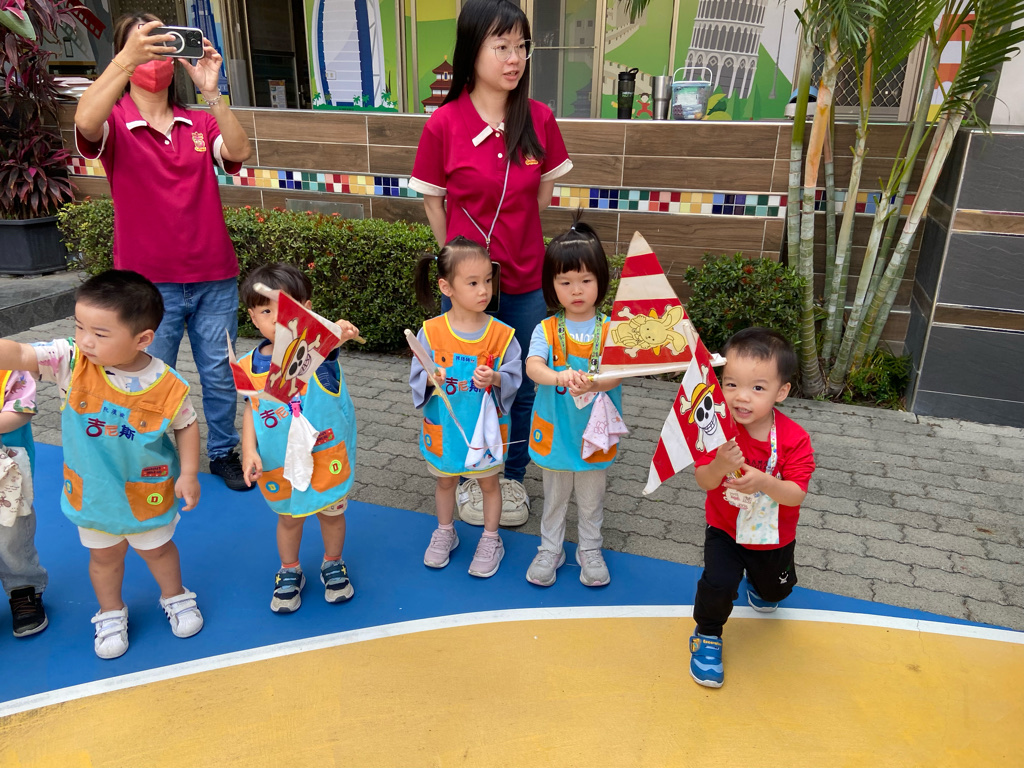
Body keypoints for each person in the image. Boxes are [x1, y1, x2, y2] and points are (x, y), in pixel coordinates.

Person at [74, 14, 254, 492]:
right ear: (124, 52)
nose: (154, 56)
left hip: (213, 274)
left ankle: (222, 452)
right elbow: (85, 121)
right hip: (146, 287)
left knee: (219, 374)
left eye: (163, 44)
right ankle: (148, 452)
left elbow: (239, 153)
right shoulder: (114, 121)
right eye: (143, 44)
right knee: (147, 375)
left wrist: (212, 91)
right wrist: (123, 62)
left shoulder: (199, 121)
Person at [409, 0, 573, 526]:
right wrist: (459, 268)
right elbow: (434, 203)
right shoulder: (444, 124)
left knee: (518, 384)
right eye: (501, 46)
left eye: (521, 46)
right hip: (466, 285)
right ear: (471, 50)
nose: (514, 58)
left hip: (525, 280)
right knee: (459, 382)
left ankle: (511, 477)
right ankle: (465, 475)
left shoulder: (539, 119)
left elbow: (540, 197)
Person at [0, 271, 204, 660]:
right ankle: (111, 611)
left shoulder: (168, 384)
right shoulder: (70, 360)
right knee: (104, 557)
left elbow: (187, 424)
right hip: (93, 492)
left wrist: (191, 473)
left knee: (159, 550)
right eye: (79, 326)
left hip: (147, 490)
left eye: (100, 333)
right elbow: (21, 355)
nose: (85, 340)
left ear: (142, 338)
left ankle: (175, 595)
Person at [688, 328, 816, 688]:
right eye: (731, 384)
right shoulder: (713, 428)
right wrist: (718, 464)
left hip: (773, 535)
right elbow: (704, 481)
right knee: (718, 583)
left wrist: (764, 482)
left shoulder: (795, 439)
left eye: (758, 388)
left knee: (774, 593)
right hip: (725, 528)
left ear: (782, 392)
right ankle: (707, 634)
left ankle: (761, 586)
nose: (741, 397)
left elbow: (795, 495)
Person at [236, 265, 361, 613]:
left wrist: (340, 332)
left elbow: (334, 338)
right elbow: (251, 409)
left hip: (325, 456)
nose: (276, 320)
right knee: (289, 519)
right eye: (265, 311)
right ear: (252, 317)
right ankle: (289, 569)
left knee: (332, 514)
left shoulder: (319, 353)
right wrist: (248, 450)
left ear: (306, 310)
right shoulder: (247, 366)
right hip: (278, 461)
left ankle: (333, 562)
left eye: (286, 310)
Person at [409, 237, 523, 578]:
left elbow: (515, 376)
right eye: (472, 283)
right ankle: (445, 531)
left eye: (488, 279)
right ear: (447, 287)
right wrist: (432, 378)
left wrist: (497, 378)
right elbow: (417, 376)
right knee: (445, 482)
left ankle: (491, 539)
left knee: (489, 484)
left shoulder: (502, 335)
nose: (484, 290)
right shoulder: (430, 332)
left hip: (485, 432)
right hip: (445, 430)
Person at [523, 221, 624, 588]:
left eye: (585, 280)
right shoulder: (546, 329)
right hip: (556, 429)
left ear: (601, 280)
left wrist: (594, 381)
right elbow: (533, 366)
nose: (576, 290)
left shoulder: (612, 329)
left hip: (594, 434)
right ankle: (550, 548)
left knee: (592, 496)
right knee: (554, 496)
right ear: (551, 285)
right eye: (565, 282)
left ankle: (590, 548)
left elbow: (617, 375)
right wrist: (558, 376)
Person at [0, 369, 48, 638]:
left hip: (5, 473)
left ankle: (23, 587)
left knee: (12, 535)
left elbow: (22, 410)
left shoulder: (9, 368)